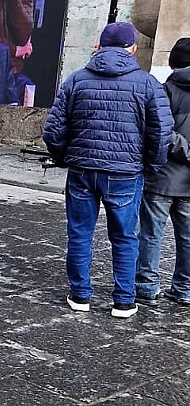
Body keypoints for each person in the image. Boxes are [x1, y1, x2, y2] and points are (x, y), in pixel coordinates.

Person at [43, 21, 172, 319]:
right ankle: (124, 301)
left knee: (79, 233)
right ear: (133, 48)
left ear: (98, 47)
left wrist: (66, 158)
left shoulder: (76, 80)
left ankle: (80, 295)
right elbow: (162, 133)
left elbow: (53, 131)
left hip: (82, 170)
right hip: (126, 172)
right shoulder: (147, 84)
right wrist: (149, 166)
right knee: (126, 236)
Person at [136, 37, 190, 308]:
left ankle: (146, 286)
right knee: (188, 238)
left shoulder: (163, 91)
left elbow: (160, 132)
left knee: (150, 234)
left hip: (162, 176)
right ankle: (184, 288)